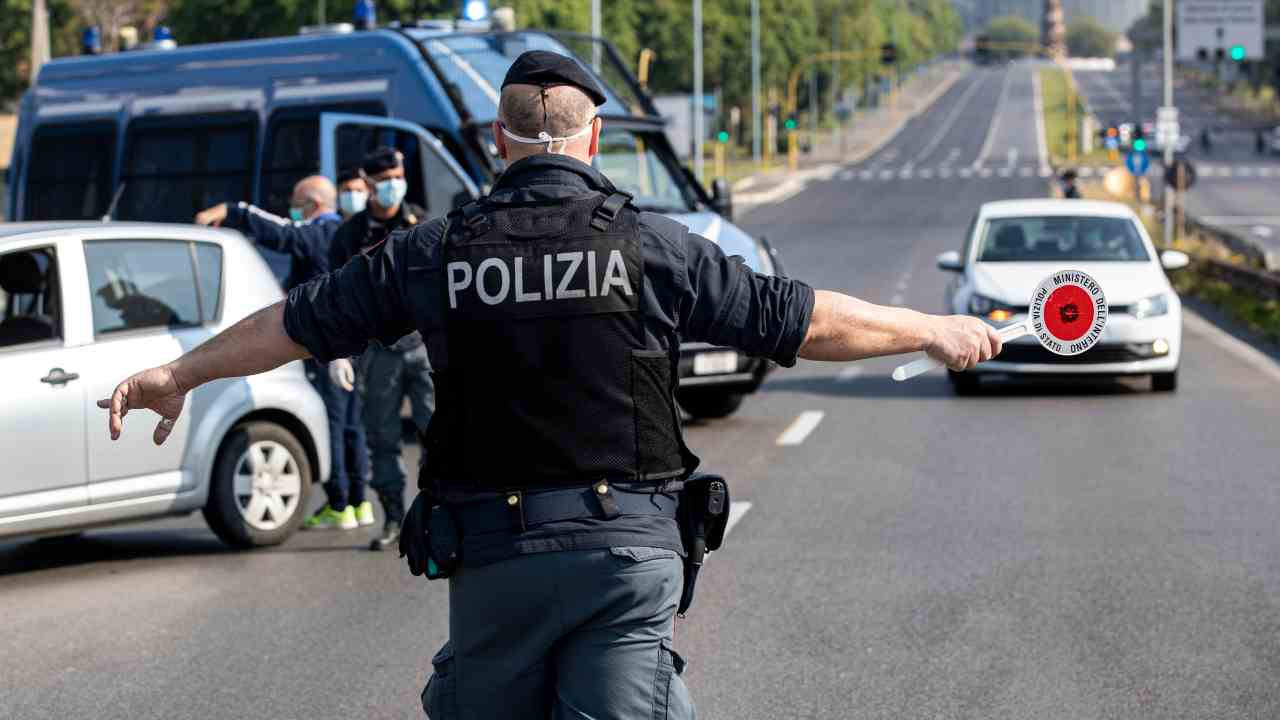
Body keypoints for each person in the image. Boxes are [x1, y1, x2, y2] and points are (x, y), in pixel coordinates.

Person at [99, 50, 1004, 720]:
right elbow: (800, 318)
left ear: (498, 142)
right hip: (626, 558)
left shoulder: (435, 251)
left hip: (496, 561)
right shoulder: (648, 246)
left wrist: (179, 371)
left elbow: (295, 323)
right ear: (594, 137)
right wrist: (933, 326)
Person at [194, 177, 374, 532]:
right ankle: (359, 501)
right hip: (356, 343)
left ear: (314, 206)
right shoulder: (348, 233)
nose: (293, 212)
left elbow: (283, 233)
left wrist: (233, 211)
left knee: (335, 424)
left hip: (331, 347)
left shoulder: (322, 231)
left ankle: (340, 503)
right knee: (353, 426)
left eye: (296, 204)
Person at [327, 147, 431, 551]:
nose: (392, 187)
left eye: (396, 177)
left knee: (436, 433)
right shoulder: (348, 236)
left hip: (424, 348)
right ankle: (393, 518)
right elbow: (331, 298)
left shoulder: (421, 222)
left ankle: (436, 511)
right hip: (377, 352)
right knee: (382, 438)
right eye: (384, 180)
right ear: (368, 184)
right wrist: (337, 351)